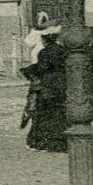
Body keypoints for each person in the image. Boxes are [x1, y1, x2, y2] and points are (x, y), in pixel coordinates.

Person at [21, 24, 68, 152]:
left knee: (43, 115)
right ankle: (60, 142)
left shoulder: (45, 52)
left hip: (47, 87)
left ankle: (41, 143)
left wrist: (27, 71)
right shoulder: (63, 51)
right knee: (59, 115)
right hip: (61, 87)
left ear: (44, 39)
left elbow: (41, 68)